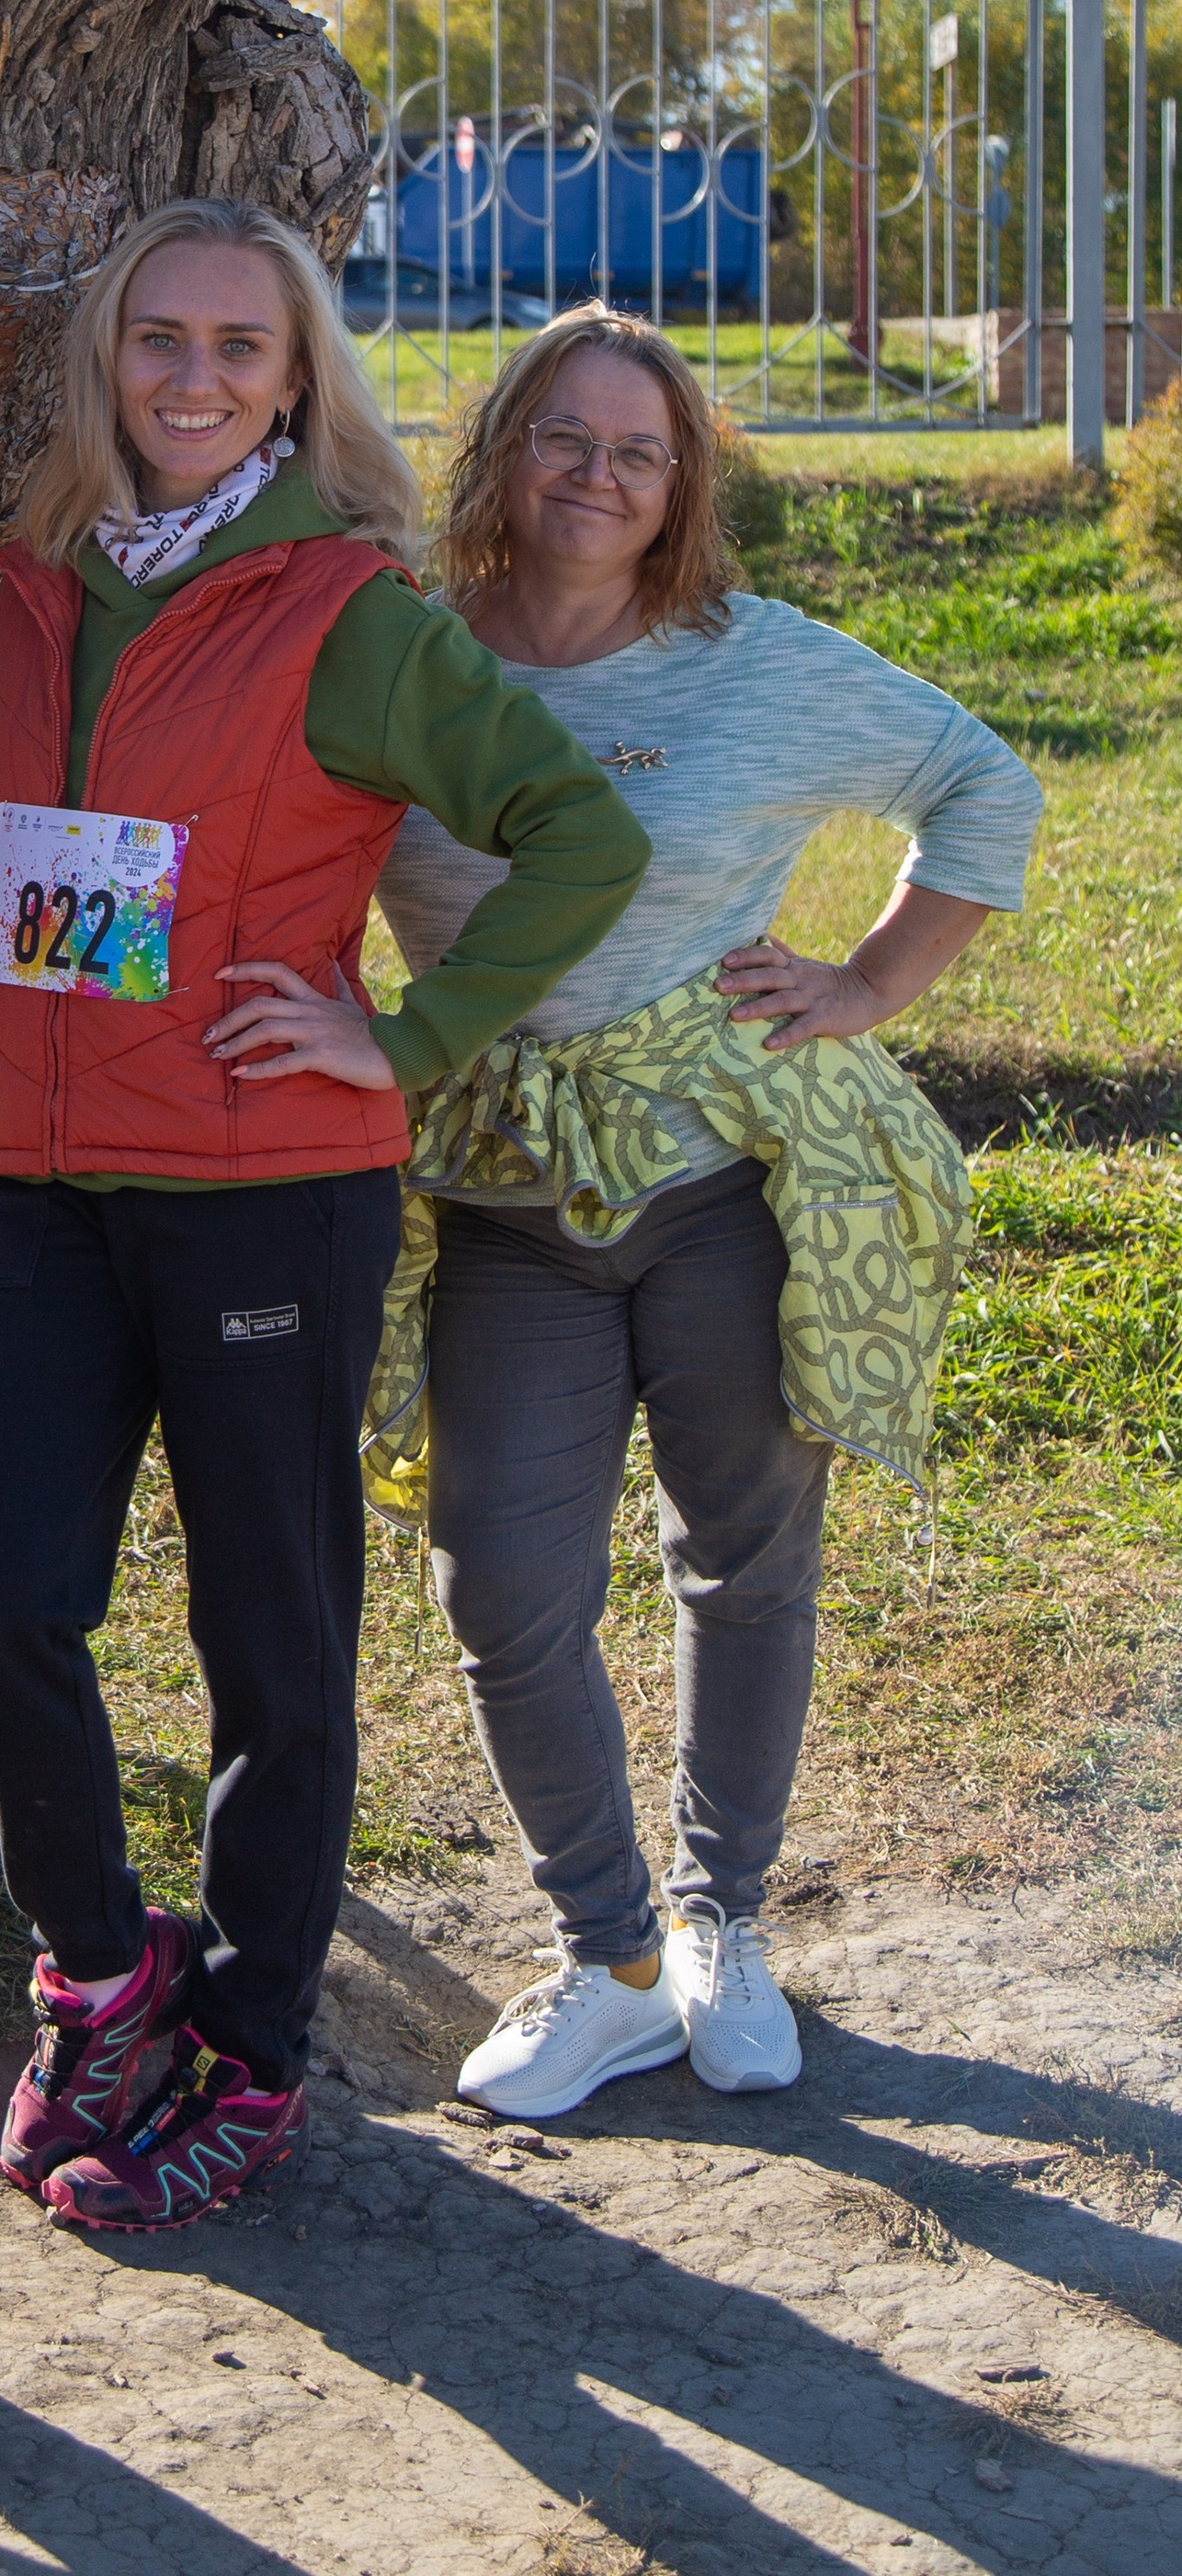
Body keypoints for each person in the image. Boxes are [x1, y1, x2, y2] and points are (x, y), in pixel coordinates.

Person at [0, 198, 652, 2231]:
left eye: (239, 347)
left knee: (270, 1644)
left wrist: (403, 1040)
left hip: (261, 1204)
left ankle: (250, 2052)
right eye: (159, 339)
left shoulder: (345, 611)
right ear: (104, 361)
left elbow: (579, 832)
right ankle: (108, 1980)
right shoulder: (44, 587)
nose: (194, 377)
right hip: (46, 1192)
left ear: (293, 378)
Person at [369, 305, 1042, 2123]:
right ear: (503, 447)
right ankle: (603, 1960)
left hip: (721, 1182)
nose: (597, 476)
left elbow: (983, 784)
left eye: (638, 452)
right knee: (501, 1582)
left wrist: (867, 983)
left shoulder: (753, 662)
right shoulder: (405, 656)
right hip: (500, 1187)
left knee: (738, 1560)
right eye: (564, 438)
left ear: (678, 490)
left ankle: (717, 1918)